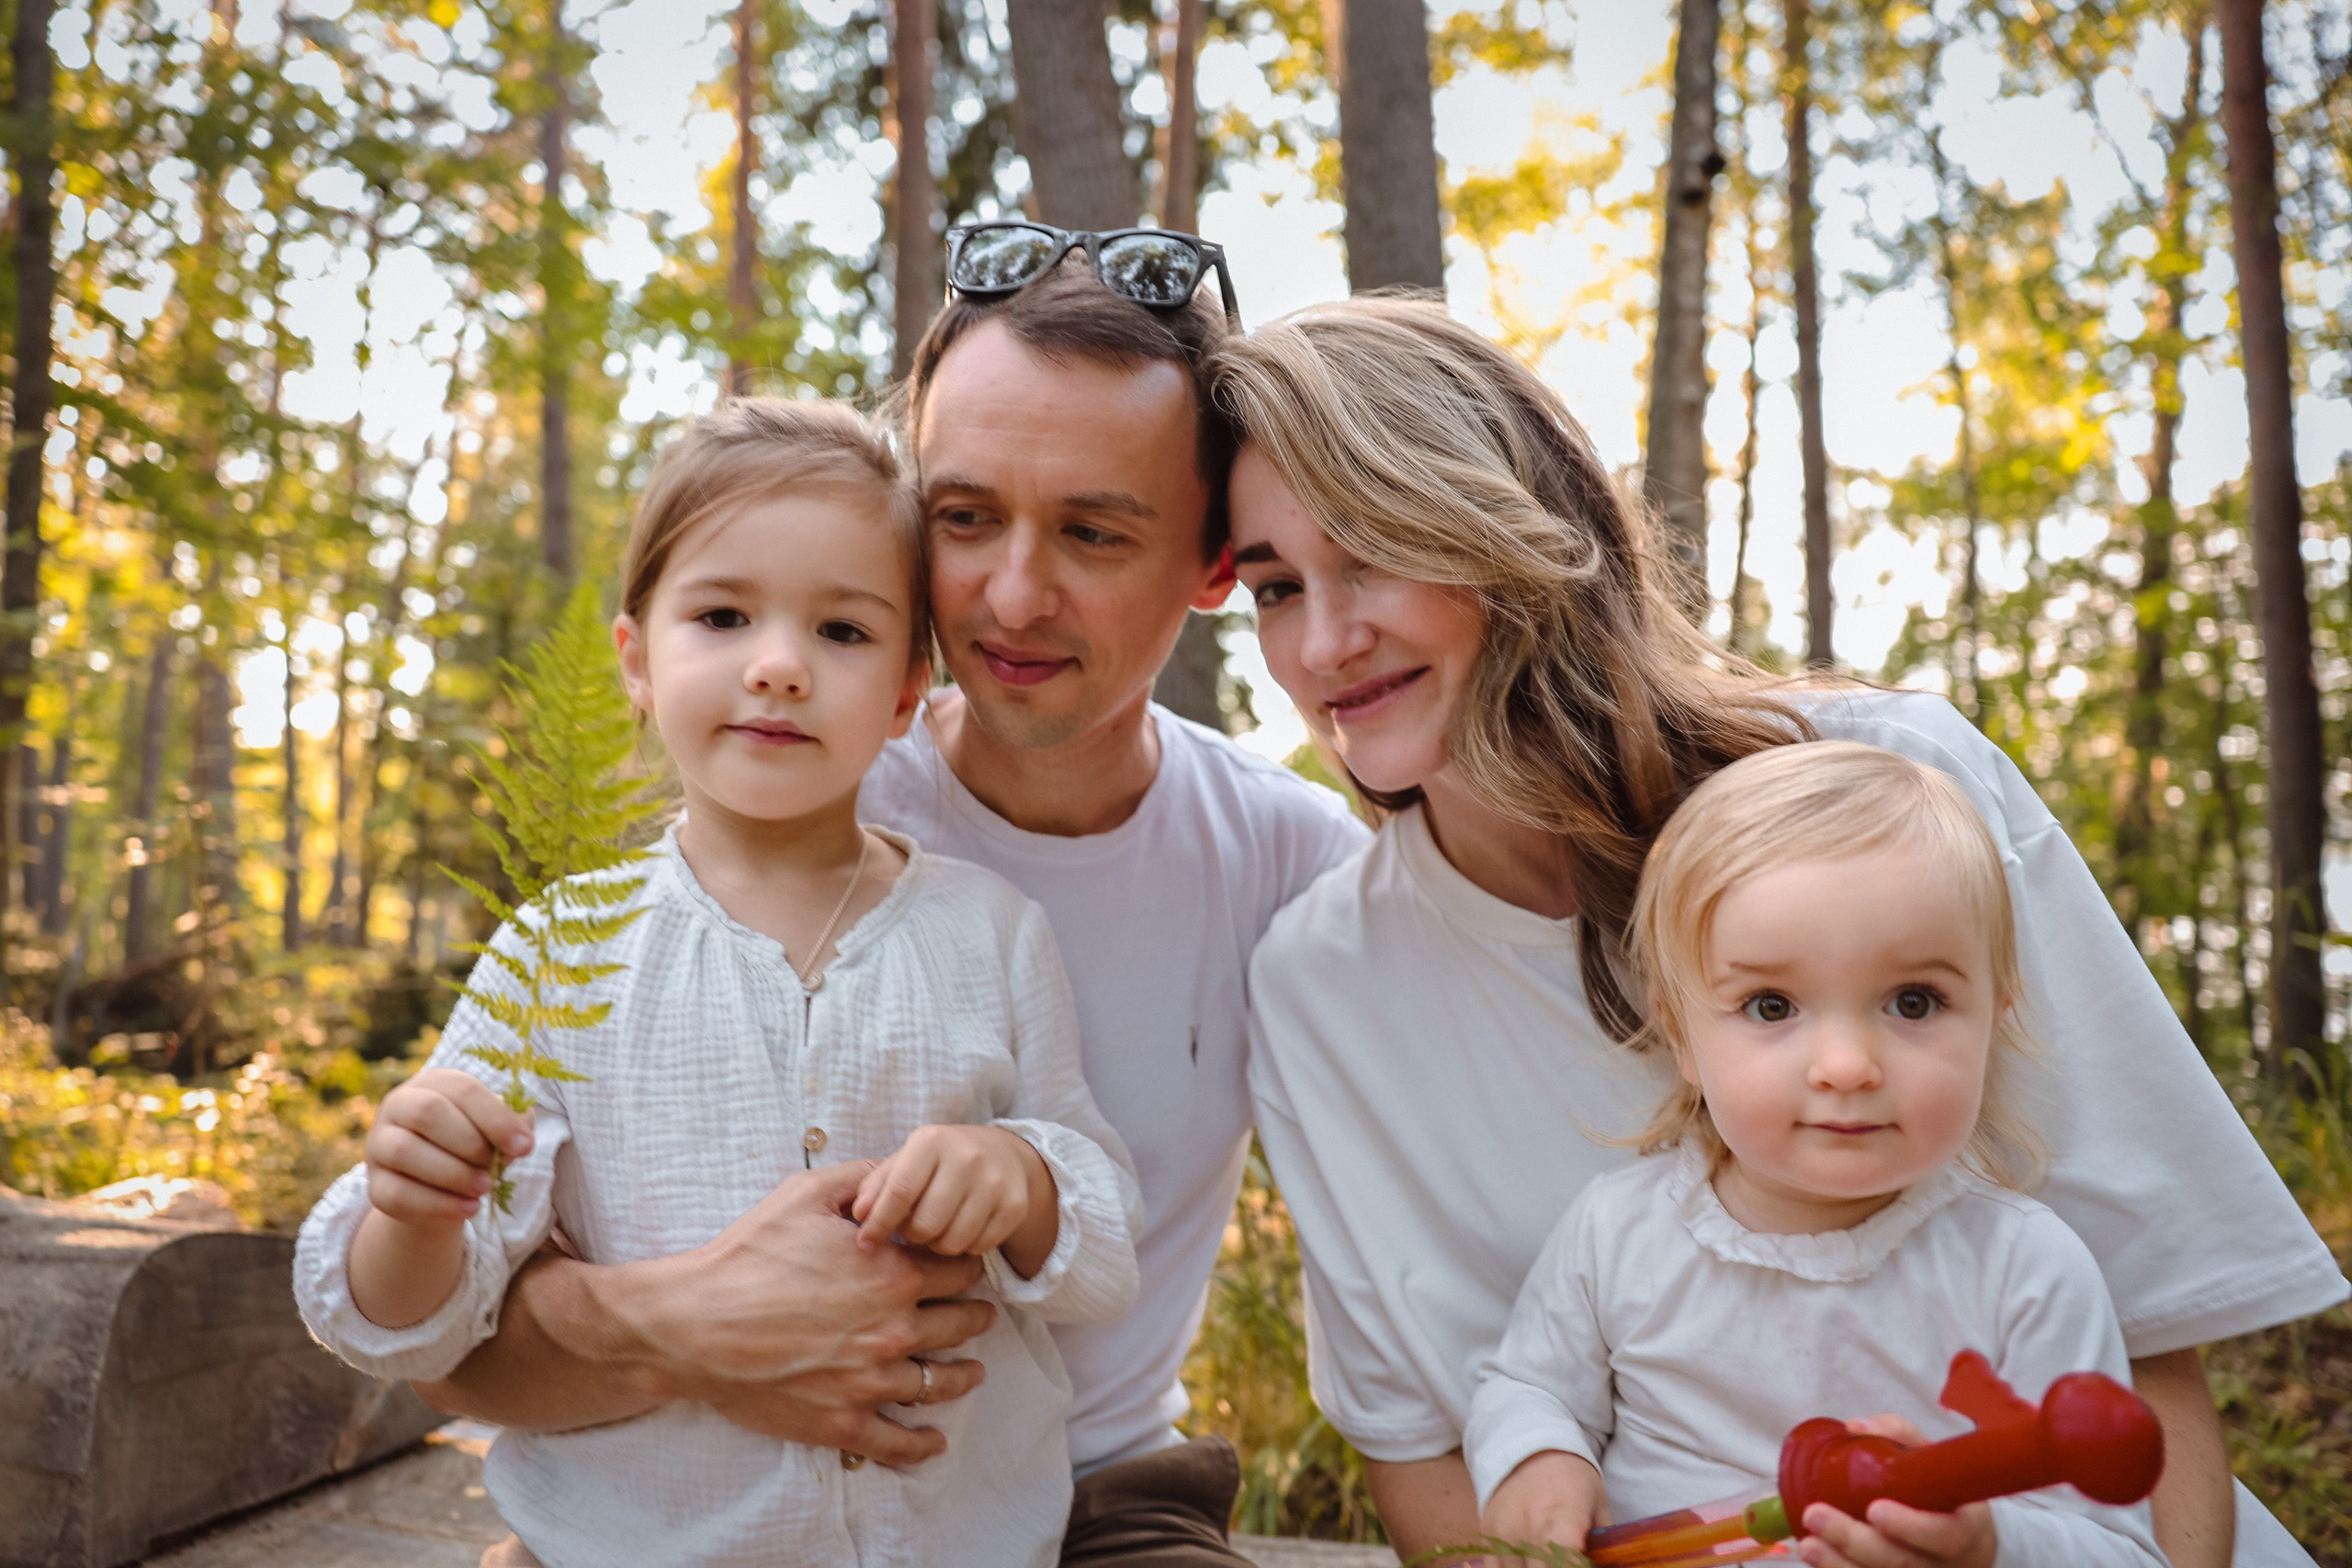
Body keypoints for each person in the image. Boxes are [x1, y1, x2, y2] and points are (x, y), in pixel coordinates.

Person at [1218, 297, 2347, 1568]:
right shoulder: (1320, 981)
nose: (1320, 642)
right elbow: (1429, 1459)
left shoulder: (1902, 787)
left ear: (1512, 529)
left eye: (1373, 550)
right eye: (1273, 587)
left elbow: (2145, 1363)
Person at [410, 236, 1369, 1566]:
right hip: (704, 1484)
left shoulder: (1293, 864)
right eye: (967, 516)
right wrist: (692, 1331)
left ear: (1215, 567)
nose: (1014, 595)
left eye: (1094, 530)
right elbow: (451, 1355)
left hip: (1091, 1494)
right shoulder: (772, 803)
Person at [293, 398, 1143, 1568]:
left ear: (906, 694)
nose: (780, 667)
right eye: (723, 614)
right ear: (637, 661)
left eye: (843, 633)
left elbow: (1103, 1249)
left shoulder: (989, 933)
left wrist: (1024, 1176)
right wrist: (412, 1209)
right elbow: (398, 1327)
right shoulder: (562, 947)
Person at [1467, 741, 2165, 1568]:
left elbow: (2120, 1549)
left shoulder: (2022, 1268)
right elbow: (1528, 1386)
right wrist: (1539, 1457)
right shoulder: (1618, 1234)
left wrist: (1990, 1547)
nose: (1845, 1066)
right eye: (1771, 1005)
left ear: (1995, 1017)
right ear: (1682, 1035)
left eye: (1914, 1001)